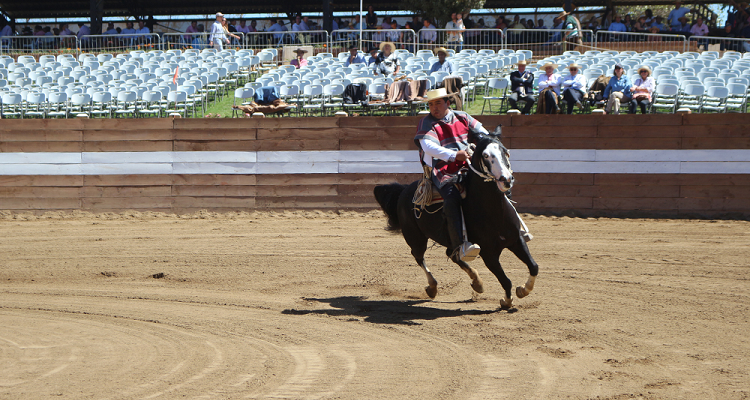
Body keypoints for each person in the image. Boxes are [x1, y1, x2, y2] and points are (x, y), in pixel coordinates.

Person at [414, 88, 487, 262]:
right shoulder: (427, 123)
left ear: (448, 103)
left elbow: (484, 134)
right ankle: (459, 245)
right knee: (451, 196)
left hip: (469, 165)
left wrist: (481, 146)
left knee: (494, 183)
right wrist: (455, 155)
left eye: (438, 103)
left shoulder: (463, 117)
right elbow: (428, 147)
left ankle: (513, 227)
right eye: (431, 104)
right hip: (443, 170)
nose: (434, 108)